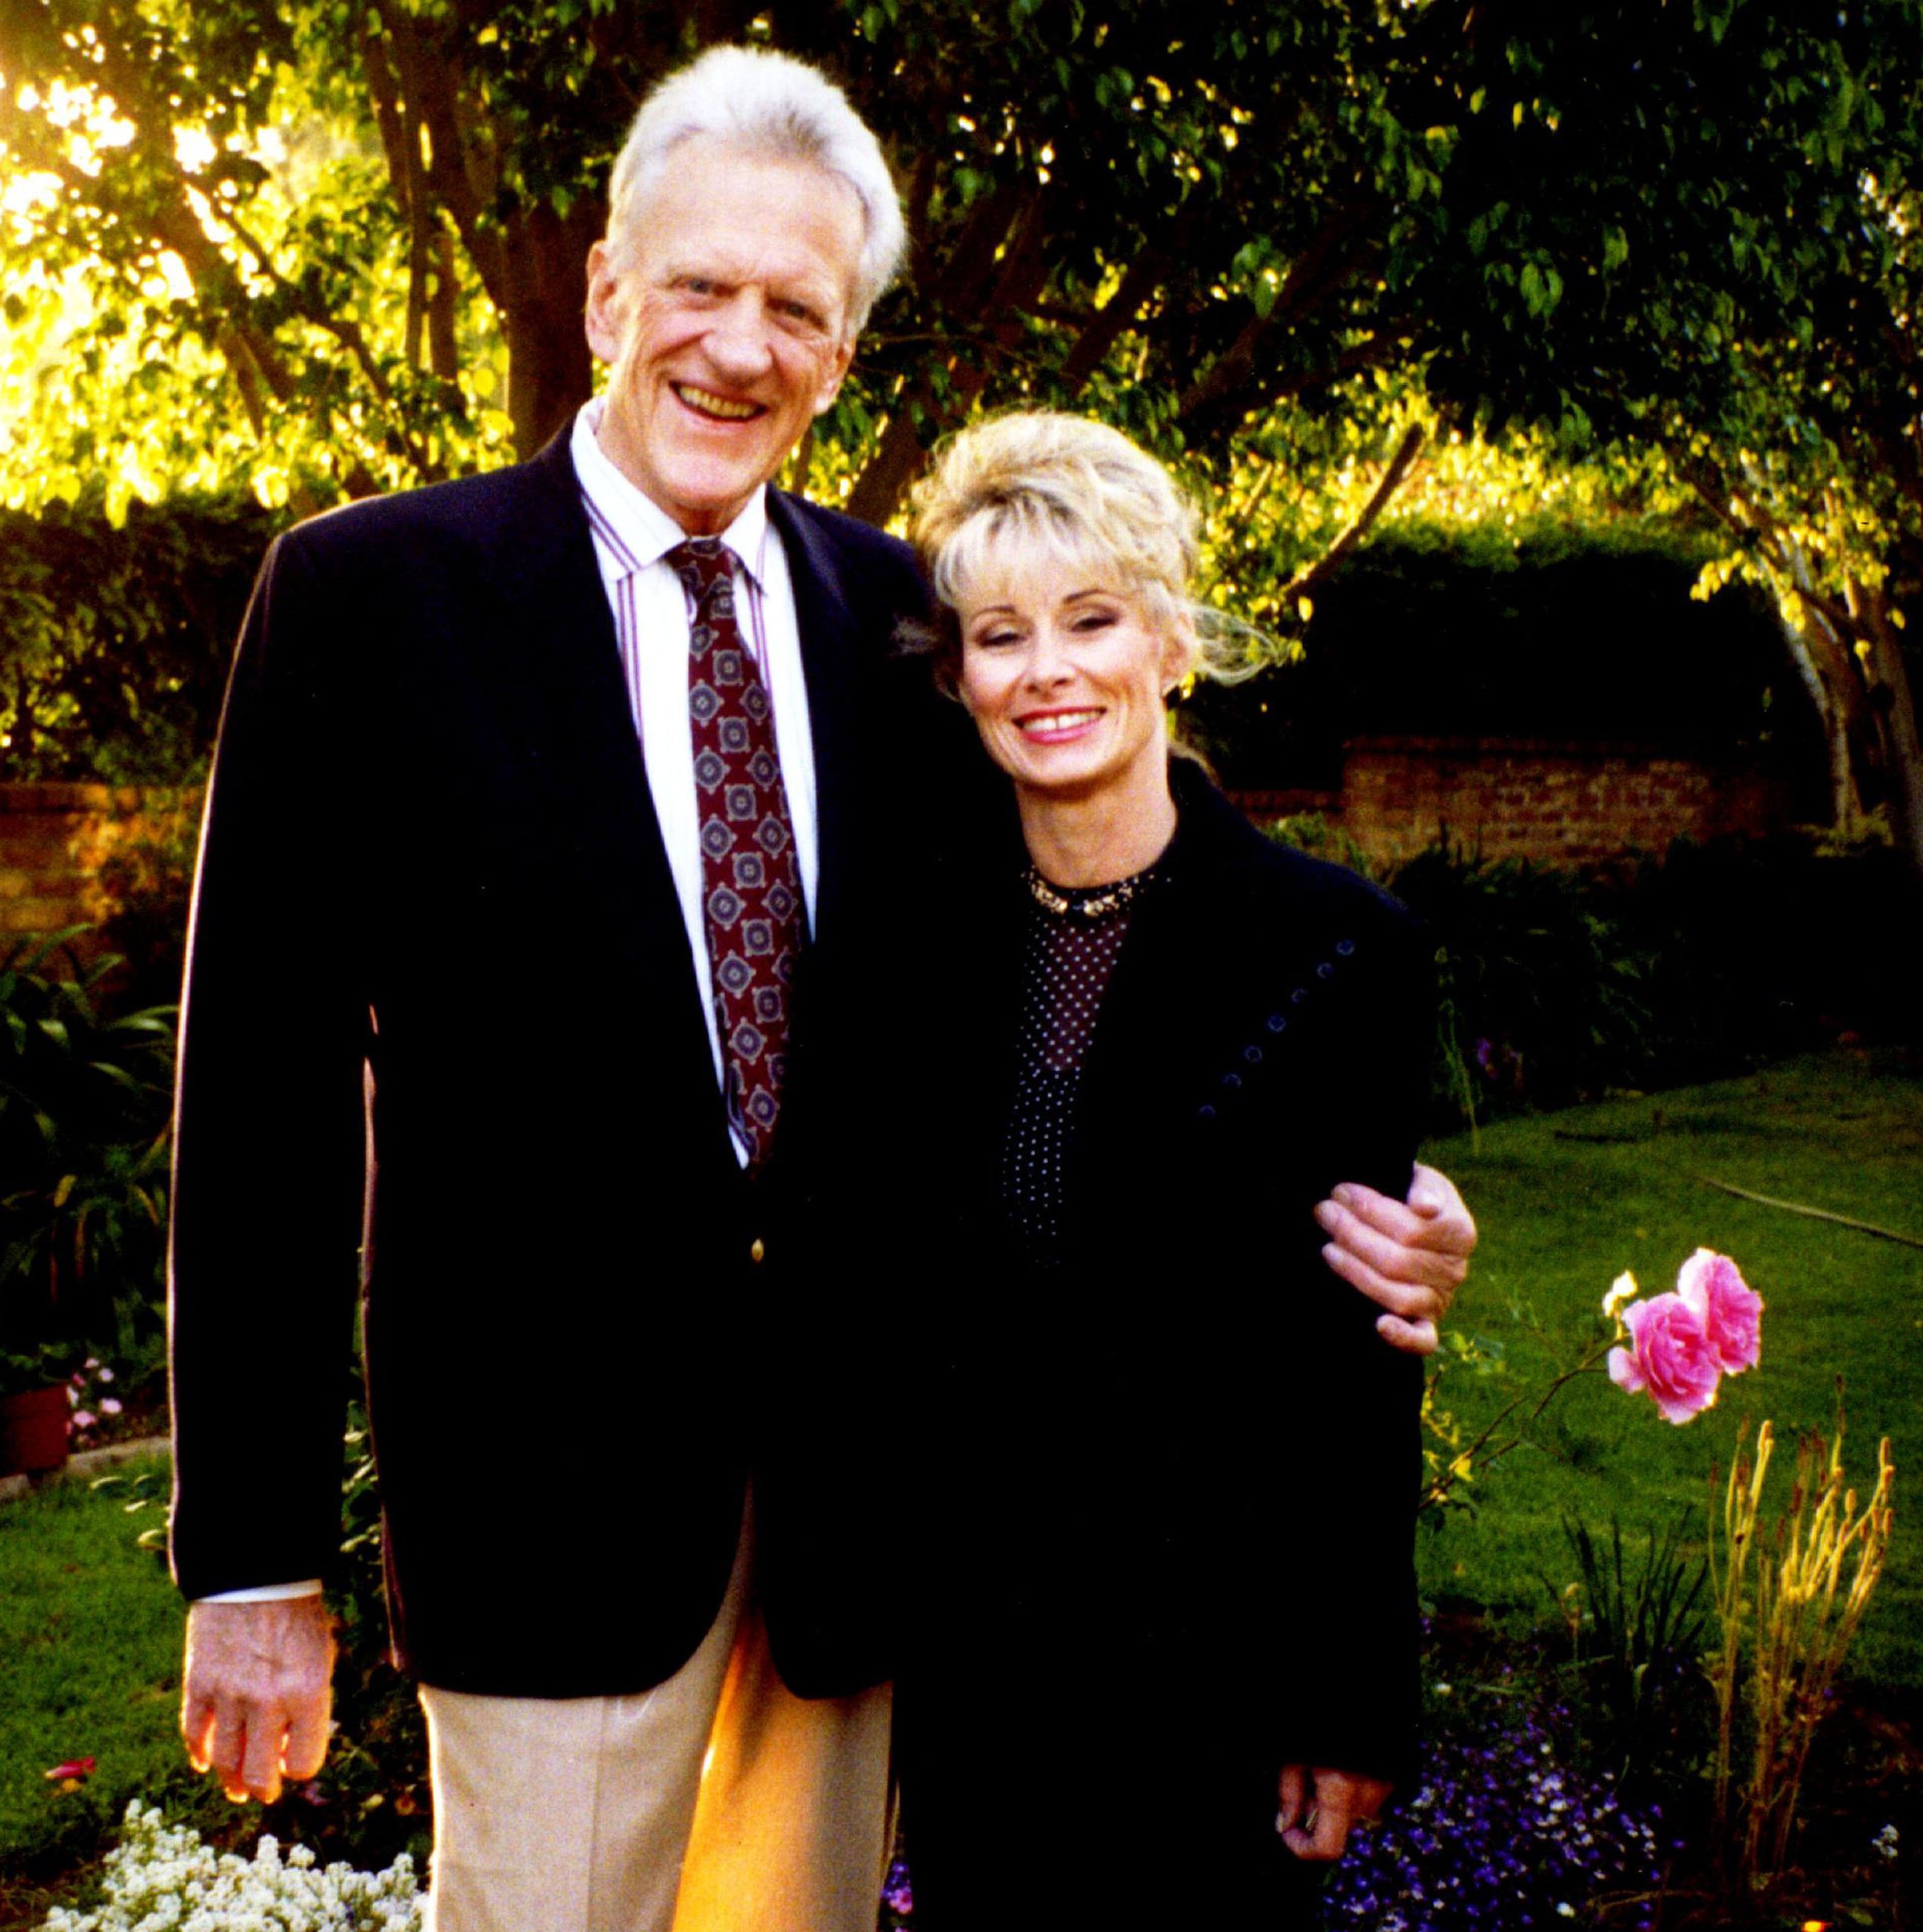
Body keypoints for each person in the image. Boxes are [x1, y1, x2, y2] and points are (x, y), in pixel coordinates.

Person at [163, 47, 1470, 1932]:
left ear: (844, 355)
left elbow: (1129, 932)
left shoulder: (902, 624)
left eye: (799, 309)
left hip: (869, 1520)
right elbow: (259, 1095)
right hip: (551, 1512)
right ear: (609, 292)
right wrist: (253, 1558)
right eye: (699, 287)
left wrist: (1374, 1191)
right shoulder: (368, 603)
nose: (738, 346)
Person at [857, 411, 1432, 1927]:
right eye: (1000, 634)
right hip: (976, 1671)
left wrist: (1350, 1691)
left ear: (1171, 640)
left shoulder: (1334, 948)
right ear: (961, 678)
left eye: (1091, 619)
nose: (1048, 670)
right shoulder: (908, 943)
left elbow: (1362, 1354)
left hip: (1216, 1677)